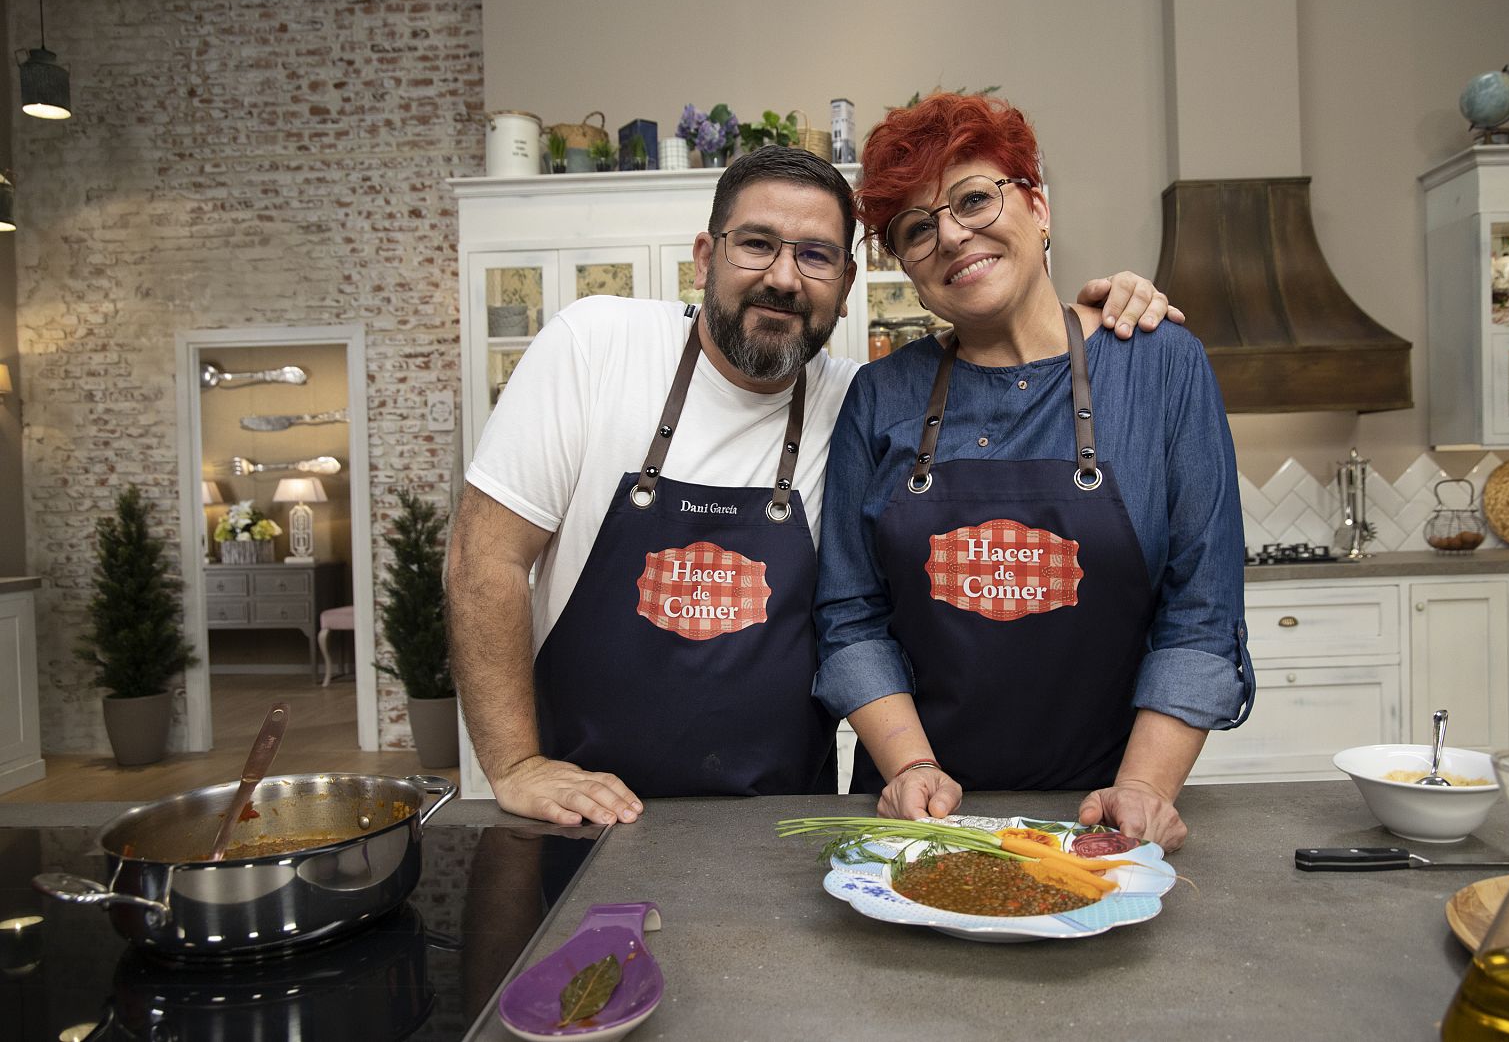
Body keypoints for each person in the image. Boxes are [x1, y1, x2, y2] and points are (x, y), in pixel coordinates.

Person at [447, 145, 1183, 827]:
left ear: (847, 281)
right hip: (581, 814)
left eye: (816, 255)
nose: (783, 277)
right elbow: (486, 561)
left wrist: (1107, 317)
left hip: (782, 823)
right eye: (757, 243)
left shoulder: (857, 403)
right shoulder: (596, 347)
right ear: (706, 253)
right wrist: (516, 764)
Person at [813, 95, 1255, 851]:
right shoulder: (881, 394)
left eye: (974, 197)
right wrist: (912, 765)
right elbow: (850, 615)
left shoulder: (1159, 364)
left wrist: (1144, 788)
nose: (952, 233)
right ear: (909, 270)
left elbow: (1202, 610)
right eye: (917, 229)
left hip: (1099, 814)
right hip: (919, 820)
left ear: (1040, 206)